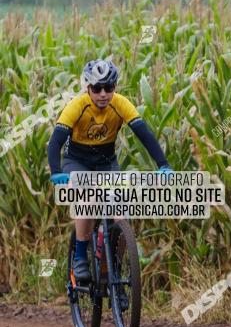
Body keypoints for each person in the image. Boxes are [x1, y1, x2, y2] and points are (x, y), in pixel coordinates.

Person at [47, 59, 172, 283]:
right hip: (77, 161)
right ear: (88, 88)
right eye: (96, 88)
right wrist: (56, 172)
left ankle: (112, 269)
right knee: (87, 199)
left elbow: (145, 136)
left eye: (109, 88)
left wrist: (163, 164)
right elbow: (54, 143)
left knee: (121, 213)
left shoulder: (121, 104)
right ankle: (80, 258)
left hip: (106, 163)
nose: (103, 94)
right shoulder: (77, 105)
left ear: (115, 87)